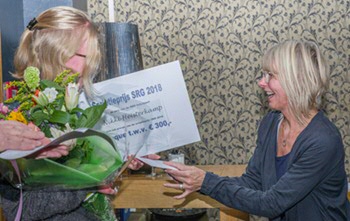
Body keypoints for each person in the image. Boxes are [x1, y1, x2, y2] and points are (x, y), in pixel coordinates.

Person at [164, 40, 349, 220]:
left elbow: (272, 203)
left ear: (297, 80)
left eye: (270, 75)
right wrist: (195, 178)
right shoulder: (270, 123)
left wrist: (205, 181)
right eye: (263, 75)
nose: (261, 82)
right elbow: (253, 182)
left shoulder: (323, 140)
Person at [0, 6, 155, 220]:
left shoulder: (78, 108)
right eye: (85, 54)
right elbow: (24, 211)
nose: (90, 65)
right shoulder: (13, 122)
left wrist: (123, 160)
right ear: (55, 52)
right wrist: (87, 185)